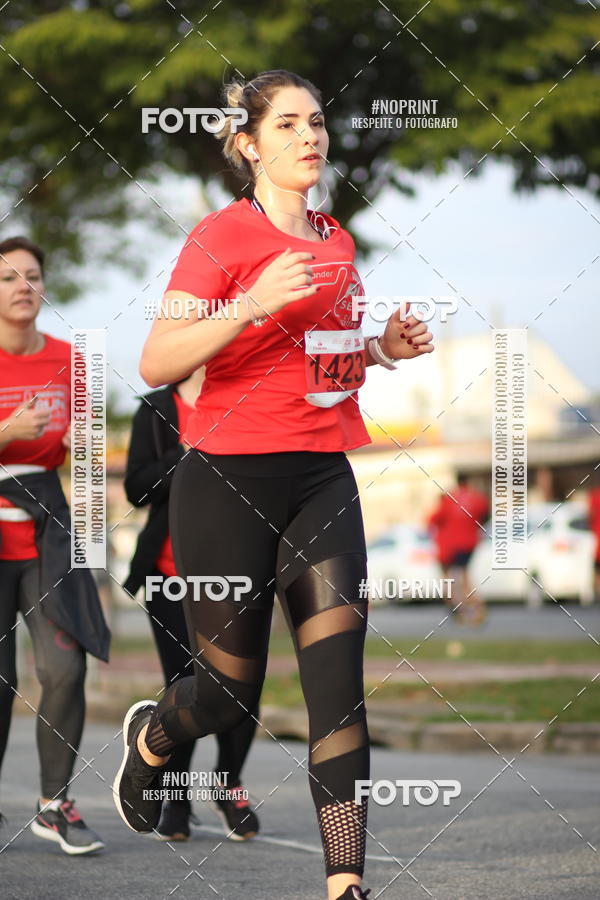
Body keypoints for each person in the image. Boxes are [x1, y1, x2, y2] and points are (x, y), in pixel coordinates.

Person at [112, 69, 434, 900]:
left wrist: (381, 350)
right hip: (227, 481)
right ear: (249, 145)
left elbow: (325, 360)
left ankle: (345, 881)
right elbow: (157, 360)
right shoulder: (219, 238)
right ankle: (152, 741)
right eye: (287, 123)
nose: (309, 135)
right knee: (227, 696)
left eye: (316, 120)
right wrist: (250, 303)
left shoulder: (335, 241)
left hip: (322, 477)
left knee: (339, 690)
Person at [0, 235, 109, 854]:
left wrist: (90, 554)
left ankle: (54, 804)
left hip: (48, 529)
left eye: (33, 276)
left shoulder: (75, 361)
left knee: (66, 668)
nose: (23, 286)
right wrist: (6, 431)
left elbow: (89, 465)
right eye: (8, 277)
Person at [123, 366, 260, 841]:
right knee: (185, 684)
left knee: (243, 686)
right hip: (169, 576)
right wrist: (185, 454)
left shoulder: (246, 396)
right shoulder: (156, 410)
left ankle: (228, 784)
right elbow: (136, 489)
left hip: (235, 571)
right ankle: (175, 797)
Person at [428, 474, 489, 625]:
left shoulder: (449, 498)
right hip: (470, 543)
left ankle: (466, 609)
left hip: (451, 546)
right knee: (464, 578)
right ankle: (469, 610)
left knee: (451, 580)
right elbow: (485, 514)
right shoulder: (476, 498)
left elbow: (433, 519)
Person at [587, 481, 600, 601]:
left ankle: (596, 591)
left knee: (596, 568)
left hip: (596, 539)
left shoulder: (594, 496)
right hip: (596, 539)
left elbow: (590, 516)